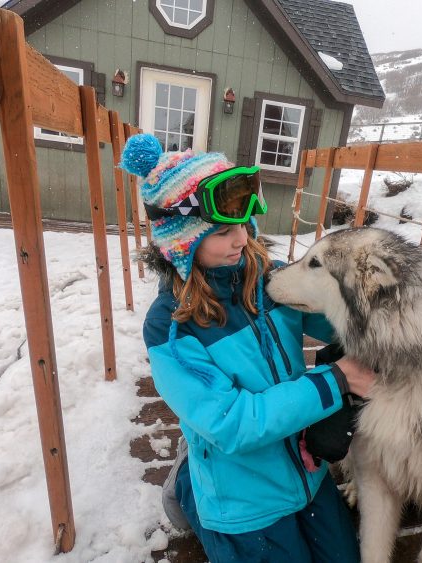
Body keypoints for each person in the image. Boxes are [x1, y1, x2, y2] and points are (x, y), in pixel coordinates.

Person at [120, 133, 376, 563]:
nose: (241, 240)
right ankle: (189, 485)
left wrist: (402, 300)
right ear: (182, 241)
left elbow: (339, 322)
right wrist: (335, 380)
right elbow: (232, 424)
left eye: (242, 224)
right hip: (241, 498)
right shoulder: (172, 329)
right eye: (222, 232)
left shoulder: (268, 279)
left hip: (306, 470)